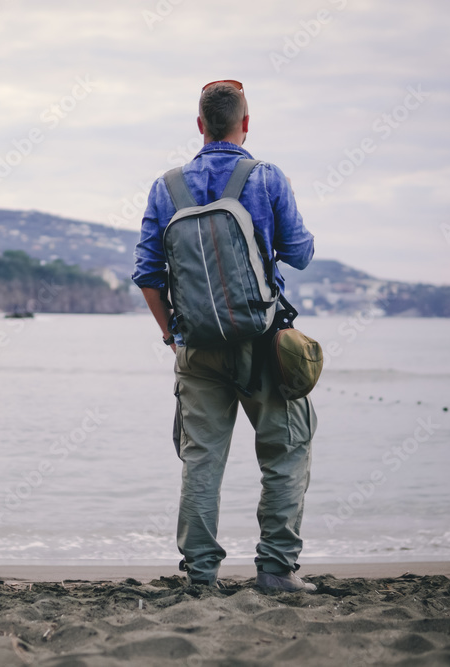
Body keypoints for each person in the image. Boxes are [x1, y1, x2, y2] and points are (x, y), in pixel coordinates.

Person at [131, 80, 317, 592]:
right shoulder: (267, 177)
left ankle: (201, 575)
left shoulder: (166, 187)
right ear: (246, 124)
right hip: (263, 342)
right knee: (285, 451)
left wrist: (173, 337)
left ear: (199, 126)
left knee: (201, 459)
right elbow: (299, 253)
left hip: (196, 348)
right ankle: (277, 571)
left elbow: (148, 274)